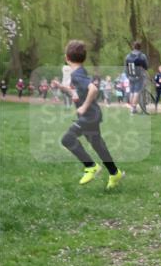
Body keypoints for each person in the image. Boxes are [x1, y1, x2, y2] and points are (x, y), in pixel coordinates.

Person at [53, 40, 125, 190]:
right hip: (92, 115)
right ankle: (115, 173)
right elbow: (79, 91)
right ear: (84, 58)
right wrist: (62, 87)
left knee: (67, 139)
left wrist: (84, 107)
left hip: (89, 115)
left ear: (67, 58)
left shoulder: (77, 75)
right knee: (98, 145)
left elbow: (93, 89)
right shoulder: (80, 72)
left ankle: (90, 166)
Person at [124, 41, 149, 114]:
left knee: (131, 92)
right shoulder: (142, 56)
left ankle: (132, 108)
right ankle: (133, 108)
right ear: (140, 47)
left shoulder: (128, 56)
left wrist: (127, 76)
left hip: (130, 76)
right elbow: (146, 66)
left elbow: (126, 68)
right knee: (137, 92)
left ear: (133, 47)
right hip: (139, 76)